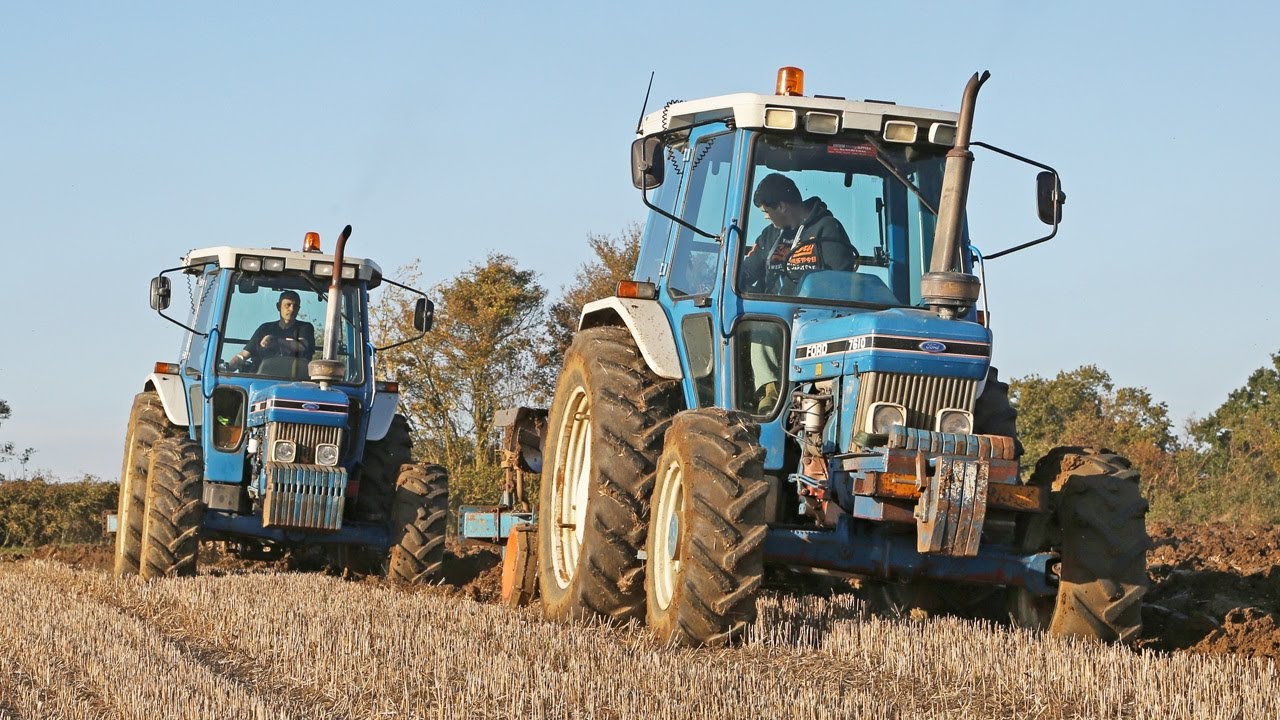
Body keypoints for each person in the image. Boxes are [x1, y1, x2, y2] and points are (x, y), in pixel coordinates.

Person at [740, 173, 856, 295]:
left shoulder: (827, 228)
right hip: (769, 310)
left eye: (767, 211)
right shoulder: (769, 235)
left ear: (781, 207)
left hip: (810, 311)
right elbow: (746, 272)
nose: (765, 217)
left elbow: (841, 283)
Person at [227, 290, 316, 372]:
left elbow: (302, 345)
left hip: (292, 381)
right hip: (259, 379)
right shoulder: (264, 329)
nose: (292, 309)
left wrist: (276, 341)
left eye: (295, 306)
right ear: (278, 306)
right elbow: (244, 355)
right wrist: (227, 368)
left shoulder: (305, 327)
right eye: (288, 305)